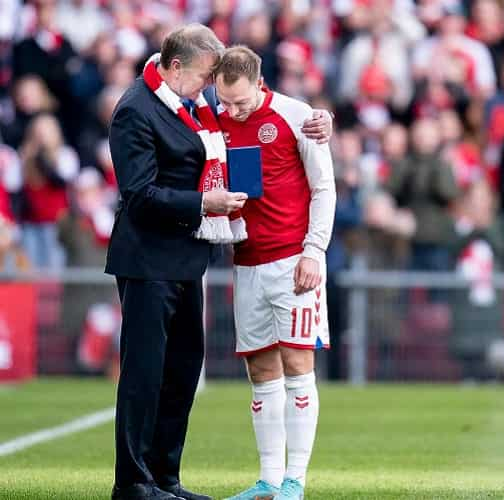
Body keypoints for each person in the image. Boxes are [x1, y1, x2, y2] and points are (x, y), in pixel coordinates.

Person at [106, 25, 332, 500]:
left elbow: (313, 175)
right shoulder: (140, 109)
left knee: (185, 369)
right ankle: (134, 483)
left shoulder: (209, 109)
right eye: (207, 77)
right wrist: (205, 205)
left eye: (219, 82)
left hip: (199, 261)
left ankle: (169, 477)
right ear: (175, 67)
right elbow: (138, 194)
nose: (216, 93)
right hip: (153, 259)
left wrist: (322, 120)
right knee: (147, 372)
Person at [212, 46, 335, 500]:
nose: (233, 109)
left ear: (260, 83)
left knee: (299, 364)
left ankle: (295, 481)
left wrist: (313, 251)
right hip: (246, 261)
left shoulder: (296, 115)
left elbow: (324, 188)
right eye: (224, 100)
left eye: (241, 102)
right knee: (260, 369)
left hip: (293, 261)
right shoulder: (215, 117)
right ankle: (267, 478)